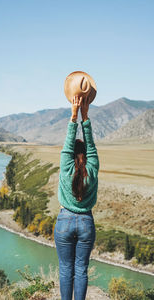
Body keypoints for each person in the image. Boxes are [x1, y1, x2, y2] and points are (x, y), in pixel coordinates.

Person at [54, 95, 99, 300]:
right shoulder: (92, 167)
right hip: (86, 222)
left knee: (65, 269)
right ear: (87, 156)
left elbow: (68, 144)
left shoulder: (66, 165)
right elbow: (90, 146)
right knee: (81, 269)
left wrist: (74, 116)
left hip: (64, 221)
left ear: (71, 155)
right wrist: (85, 117)